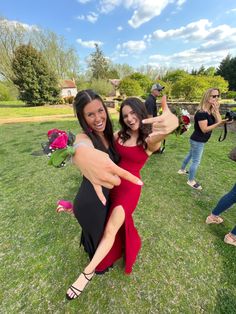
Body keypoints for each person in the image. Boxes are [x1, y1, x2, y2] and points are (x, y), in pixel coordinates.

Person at [66, 95, 179, 300]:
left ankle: (86, 274)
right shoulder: (119, 135)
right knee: (109, 225)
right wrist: (79, 151)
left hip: (129, 191)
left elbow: (160, 135)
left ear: (142, 113)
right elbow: (86, 142)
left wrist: (173, 123)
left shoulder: (149, 141)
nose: (130, 118)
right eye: (125, 115)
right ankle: (106, 255)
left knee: (110, 230)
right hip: (112, 187)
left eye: (134, 112)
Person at [70, 90, 141, 265]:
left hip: (106, 198)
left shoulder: (111, 135)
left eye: (100, 110)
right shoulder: (85, 136)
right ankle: (99, 266)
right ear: (83, 118)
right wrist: (79, 153)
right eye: (90, 114)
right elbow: (80, 146)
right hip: (91, 203)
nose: (98, 118)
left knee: (105, 232)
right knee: (99, 233)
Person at [177, 88, 227, 190]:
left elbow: (219, 121)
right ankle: (190, 181)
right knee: (196, 161)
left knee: (191, 155)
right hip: (197, 141)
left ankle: (181, 170)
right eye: (214, 96)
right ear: (207, 97)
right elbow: (205, 129)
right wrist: (219, 123)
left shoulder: (210, 111)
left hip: (197, 140)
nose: (216, 98)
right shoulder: (201, 113)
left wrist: (216, 110)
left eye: (218, 96)